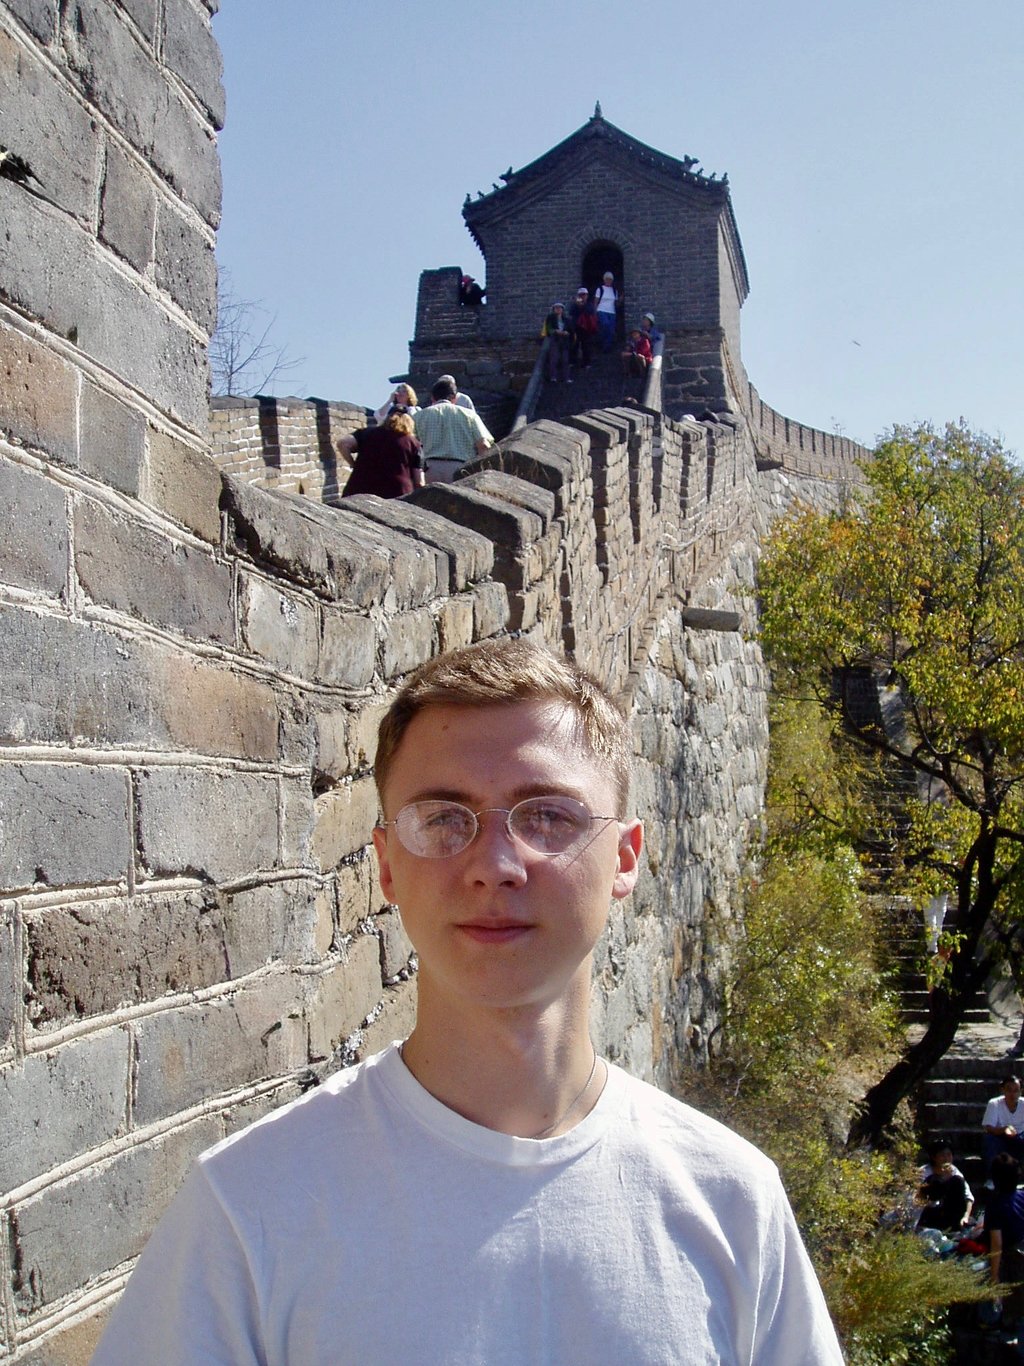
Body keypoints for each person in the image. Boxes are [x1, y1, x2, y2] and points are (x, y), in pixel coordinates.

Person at [93, 637, 845, 1365]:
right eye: (444, 819)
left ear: (624, 858)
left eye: (549, 816)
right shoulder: (250, 1211)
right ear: (386, 866)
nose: (493, 866)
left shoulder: (733, 1206)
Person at [412, 375, 494, 484]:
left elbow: (410, 445)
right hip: (461, 468)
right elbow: (483, 445)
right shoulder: (469, 415)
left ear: (432, 397)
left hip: (429, 468)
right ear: (455, 398)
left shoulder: (418, 416)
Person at [338, 410, 424, 498]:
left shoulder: (367, 433)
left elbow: (343, 443)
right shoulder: (413, 443)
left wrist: (353, 464)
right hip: (397, 492)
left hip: (360, 489)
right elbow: (419, 481)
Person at [984, 1153, 1024, 1319]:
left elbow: (997, 1243)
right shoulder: (1022, 1197)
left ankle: (992, 1319)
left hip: (1011, 1260)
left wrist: (994, 1277)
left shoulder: (995, 1204)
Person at [916, 1140, 974, 1232]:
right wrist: (943, 1179)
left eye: (949, 1155)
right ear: (934, 1157)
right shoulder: (924, 1172)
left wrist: (965, 1216)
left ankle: (954, 1227)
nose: (946, 1158)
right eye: (942, 1155)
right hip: (928, 1213)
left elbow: (968, 1196)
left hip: (949, 1213)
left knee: (957, 1181)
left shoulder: (954, 1171)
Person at [983, 1074, 1024, 1170]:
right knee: (989, 1140)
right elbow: (988, 1127)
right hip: (1000, 1137)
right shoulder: (994, 1103)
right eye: (1009, 1090)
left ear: (1021, 1092)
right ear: (1003, 1090)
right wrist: (1004, 1130)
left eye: (1016, 1090)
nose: (1012, 1094)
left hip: (1021, 1137)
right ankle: (991, 1178)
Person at [541, 301, 573, 383]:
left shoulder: (567, 319)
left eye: (560, 308)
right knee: (554, 358)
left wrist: (567, 332)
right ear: (554, 309)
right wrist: (555, 331)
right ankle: (553, 377)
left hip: (565, 340)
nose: (558, 309)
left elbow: (571, 330)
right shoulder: (550, 318)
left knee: (565, 359)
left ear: (562, 309)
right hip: (555, 339)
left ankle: (566, 377)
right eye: (556, 308)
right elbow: (548, 329)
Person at [568, 287, 597, 369]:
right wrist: (577, 305)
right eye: (581, 295)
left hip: (586, 328)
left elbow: (589, 312)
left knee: (586, 345)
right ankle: (573, 361)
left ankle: (587, 363)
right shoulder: (574, 304)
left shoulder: (589, 304)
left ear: (587, 295)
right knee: (574, 345)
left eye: (584, 295)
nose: (582, 296)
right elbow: (571, 312)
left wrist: (582, 306)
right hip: (576, 327)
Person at [593, 270, 620, 352]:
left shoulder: (614, 291)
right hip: (601, 310)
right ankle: (601, 343)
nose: (608, 281)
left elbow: (616, 303)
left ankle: (607, 347)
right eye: (607, 279)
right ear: (604, 280)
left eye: (610, 279)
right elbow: (596, 302)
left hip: (612, 312)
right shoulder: (600, 289)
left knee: (611, 330)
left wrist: (620, 300)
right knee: (605, 325)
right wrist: (594, 313)